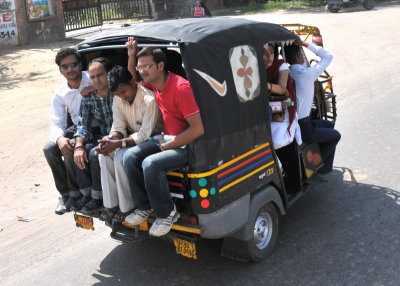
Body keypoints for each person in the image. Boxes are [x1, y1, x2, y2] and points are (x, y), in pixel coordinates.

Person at [124, 38, 204, 237]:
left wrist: (171, 144)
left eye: (146, 66)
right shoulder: (154, 85)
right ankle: (145, 206)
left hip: (186, 146)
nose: (142, 71)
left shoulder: (180, 88)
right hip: (166, 140)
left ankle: (167, 212)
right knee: (130, 156)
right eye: (140, 67)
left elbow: (197, 129)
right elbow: (132, 79)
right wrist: (131, 56)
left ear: (160, 65)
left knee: (150, 164)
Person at [96, 65, 162, 221]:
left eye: (124, 91)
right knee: (103, 155)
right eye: (118, 94)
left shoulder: (149, 100)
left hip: (154, 140)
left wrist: (117, 144)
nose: (122, 96)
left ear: (133, 82)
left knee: (121, 156)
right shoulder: (118, 98)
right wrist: (110, 139)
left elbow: (144, 135)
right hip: (131, 139)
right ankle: (112, 204)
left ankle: (128, 206)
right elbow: (118, 126)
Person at [43, 48, 92, 215]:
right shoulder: (59, 92)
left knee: (71, 146)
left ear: (80, 65)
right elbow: (56, 122)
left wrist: (93, 89)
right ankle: (65, 195)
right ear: (60, 70)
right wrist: (59, 139)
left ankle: (76, 193)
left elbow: (110, 83)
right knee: (49, 149)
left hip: (95, 125)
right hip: (77, 126)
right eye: (65, 67)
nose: (70, 69)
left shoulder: (92, 77)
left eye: (73, 65)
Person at [284, 39, 341, 174]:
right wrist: (305, 44)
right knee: (336, 135)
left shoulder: (288, 73)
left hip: (298, 123)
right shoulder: (307, 74)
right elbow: (328, 56)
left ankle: (311, 158)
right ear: (299, 56)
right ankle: (318, 167)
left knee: (327, 124)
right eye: (302, 54)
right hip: (304, 128)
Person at [71, 57, 114, 213]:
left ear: (108, 74)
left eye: (100, 75)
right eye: (93, 77)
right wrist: (79, 146)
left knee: (94, 153)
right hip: (102, 136)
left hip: (121, 138)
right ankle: (86, 194)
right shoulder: (88, 99)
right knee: (77, 150)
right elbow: (83, 125)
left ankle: (97, 197)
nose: (97, 80)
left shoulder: (118, 93)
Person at [263, 43, 302, 193]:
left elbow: (282, 88)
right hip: (267, 109)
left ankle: (283, 170)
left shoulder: (281, 65)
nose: (268, 57)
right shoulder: (257, 69)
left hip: (283, 108)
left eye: (271, 53)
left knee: (277, 141)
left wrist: (265, 85)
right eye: (264, 53)